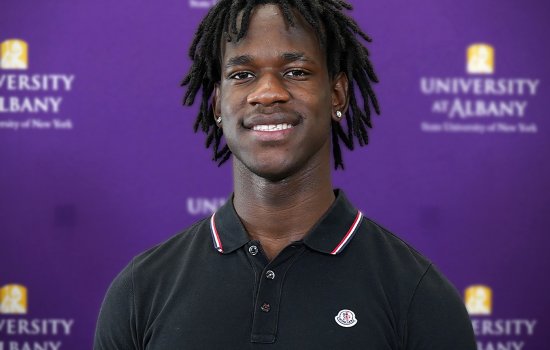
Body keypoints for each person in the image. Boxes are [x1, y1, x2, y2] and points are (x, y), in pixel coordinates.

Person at [94, 1, 477, 349]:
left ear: (337, 95)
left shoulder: (417, 295)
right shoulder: (141, 290)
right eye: (242, 74)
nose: (267, 93)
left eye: (295, 71)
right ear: (217, 104)